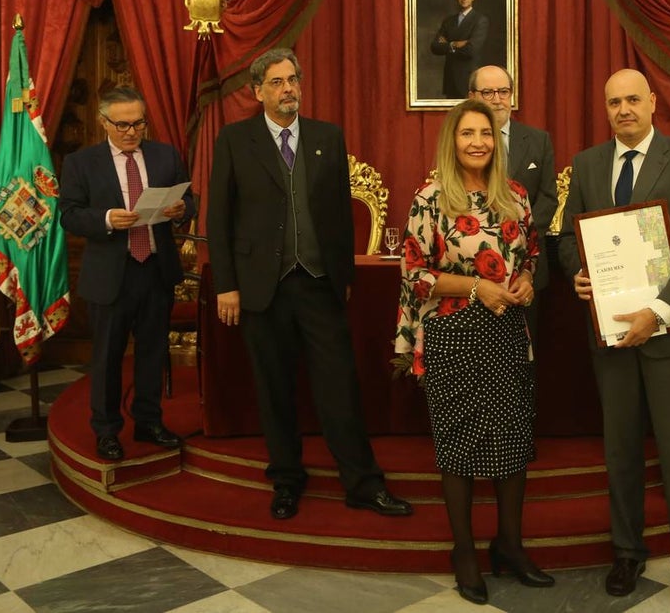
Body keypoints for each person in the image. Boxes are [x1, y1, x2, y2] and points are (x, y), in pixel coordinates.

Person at [207, 48, 412, 521]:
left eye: (293, 79)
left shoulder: (327, 137)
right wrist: (227, 285)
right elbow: (219, 218)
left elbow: (339, 215)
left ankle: (362, 482)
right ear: (258, 91)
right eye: (277, 82)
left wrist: (341, 276)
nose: (288, 89)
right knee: (275, 389)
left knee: (339, 386)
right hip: (262, 288)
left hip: (319, 285)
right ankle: (286, 479)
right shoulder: (235, 141)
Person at [557, 69, 670, 611]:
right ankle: (626, 552)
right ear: (605, 109)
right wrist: (577, 270)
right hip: (611, 337)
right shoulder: (586, 164)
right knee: (620, 451)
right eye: (613, 102)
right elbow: (566, 238)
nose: (624, 109)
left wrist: (659, 309)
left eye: (632, 99)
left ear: (652, 103)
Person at [394, 99, 553, 605]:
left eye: (485, 131)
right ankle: (464, 551)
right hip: (453, 333)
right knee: (460, 448)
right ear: (452, 140)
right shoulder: (431, 197)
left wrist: (525, 280)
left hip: (507, 333)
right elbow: (414, 273)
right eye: (467, 133)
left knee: (512, 443)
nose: (478, 141)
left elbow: (529, 253)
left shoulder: (516, 195)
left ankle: (509, 544)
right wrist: (474, 288)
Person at [58, 87, 194, 462]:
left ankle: (149, 422)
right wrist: (105, 219)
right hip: (110, 274)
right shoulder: (82, 163)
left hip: (155, 269)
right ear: (104, 123)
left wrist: (181, 209)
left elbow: (191, 200)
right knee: (106, 357)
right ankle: (106, 431)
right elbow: (68, 214)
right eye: (122, 125)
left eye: (138, 123)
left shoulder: (165, 155)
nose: (132, 132)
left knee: (153, 351)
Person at [468, 65, 557, 338]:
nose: (497, 99)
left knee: (525, 354)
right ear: (472, 97)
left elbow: (548, 198)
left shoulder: (538, 140)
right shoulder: (462, 144)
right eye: (488, 92)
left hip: (526, 271)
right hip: (475, 269)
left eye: (503, 91)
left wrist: (516, 240)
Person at [430, 0, 489, 98]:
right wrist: (455, 44)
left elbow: (470, 50)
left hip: (468, 79)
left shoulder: (480, 20)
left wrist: (447, 45)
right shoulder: (448, 21)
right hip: (450, 79)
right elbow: (435, 47)